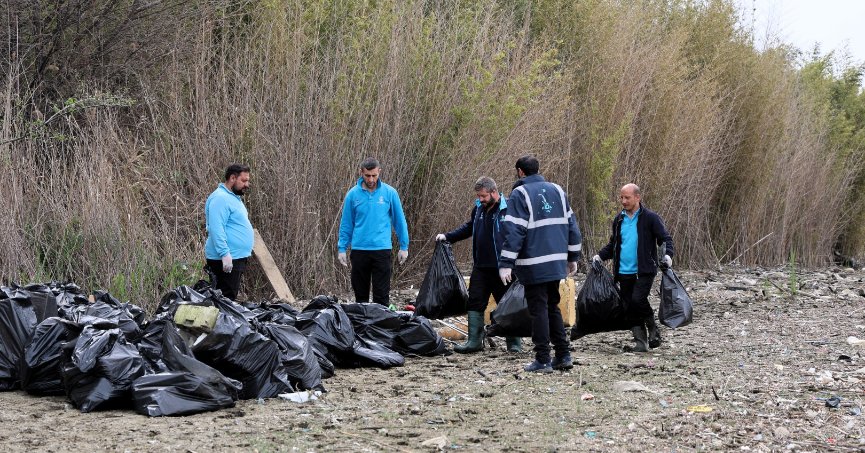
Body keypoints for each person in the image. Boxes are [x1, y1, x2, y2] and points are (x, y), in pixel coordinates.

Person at [499, 156, 582, 373]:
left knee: (539, 310)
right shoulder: (557, 190)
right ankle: (563, 355)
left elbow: (514, 230)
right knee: (551, 306)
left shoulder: (520, 193)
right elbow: (572, 224)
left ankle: (543, 358)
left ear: (520, 172)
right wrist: (573, 256)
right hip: (556, 262)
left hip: (533, 263)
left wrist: (506, 262)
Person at [435, 176, 522, 354]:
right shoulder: (479, 209)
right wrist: (448, 237)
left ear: (494, 192)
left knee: (507, 305)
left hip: (503, 269)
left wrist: (514, 263)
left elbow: (518, 236)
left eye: (483, 196)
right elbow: (468, 228)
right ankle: (474, 341)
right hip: (481, 268)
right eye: (478, 196)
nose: (480, 199)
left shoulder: (509, 209)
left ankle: (514, 344)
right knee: (474, 303)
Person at [593, 183, 674, 352]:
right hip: (623, 271)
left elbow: (665, 239)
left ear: (638, 197)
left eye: (627, 197)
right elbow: (613, 244)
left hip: (644, 270)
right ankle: (640, 343)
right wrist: (600, 256)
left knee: (638, 300)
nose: (623, 201)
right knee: (628, 306)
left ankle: (653, 330)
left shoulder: (650, 218)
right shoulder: (619, 220)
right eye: (621, 197)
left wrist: (668, 256)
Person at [338, 157, 410, 306]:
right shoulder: (352, 195)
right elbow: (346, 224)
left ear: (379, 172)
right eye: (367, 175)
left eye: (374, 175)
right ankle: (362, 327)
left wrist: (404, 246)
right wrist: (342, 248)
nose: (371, 179)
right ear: (361, 173)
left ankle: (380, 327)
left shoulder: (390, 193)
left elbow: (399, 221)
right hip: (359, 250)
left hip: (382, 250)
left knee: (382, 296)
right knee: (361, 297)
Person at [204, 164, 254, 300]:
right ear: (232, 178)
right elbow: (216, 228)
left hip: (235, 257)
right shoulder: (220, 198)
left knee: (227, 299)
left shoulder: (232, 198)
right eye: (244, 181)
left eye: (247, 181)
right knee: (224, 300)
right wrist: (224, 253)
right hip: (225, 258)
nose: (247, 185)